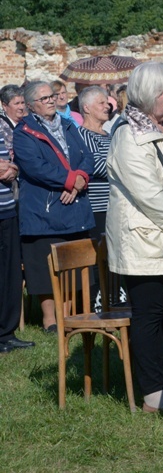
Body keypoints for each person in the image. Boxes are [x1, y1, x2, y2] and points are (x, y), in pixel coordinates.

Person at [106, 62, 163, 412]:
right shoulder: (128, 134)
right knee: (149, 315)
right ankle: (151, 394)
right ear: (148, 93)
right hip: (144, 238)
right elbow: (147, 191)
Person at [12, 81, 95, 333]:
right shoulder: (24, 132)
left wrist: (79, 180)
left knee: (71, 261)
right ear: (31, 106)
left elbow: (86, 156)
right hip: (43, 208)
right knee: (43, 265)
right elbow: (35, 166)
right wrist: (70, 181)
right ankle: (50, 319)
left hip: (74, 203)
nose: (51, 100)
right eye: (44, 98)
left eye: (52, 96)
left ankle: (68, 315)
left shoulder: (69, 125)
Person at [0, 110, 35, 353]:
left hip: (6, 208)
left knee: (10, 274)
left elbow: (9, 160)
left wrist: (13, 168)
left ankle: (5, 333)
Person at [77, 86, 111, 240]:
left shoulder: (108, 135)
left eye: (107, 102)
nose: (107, 106)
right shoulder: (83, 135)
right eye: (101, 103)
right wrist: (123, 165)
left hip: (113, 205)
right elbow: (96, 166)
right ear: (87, 108)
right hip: (97, 207)